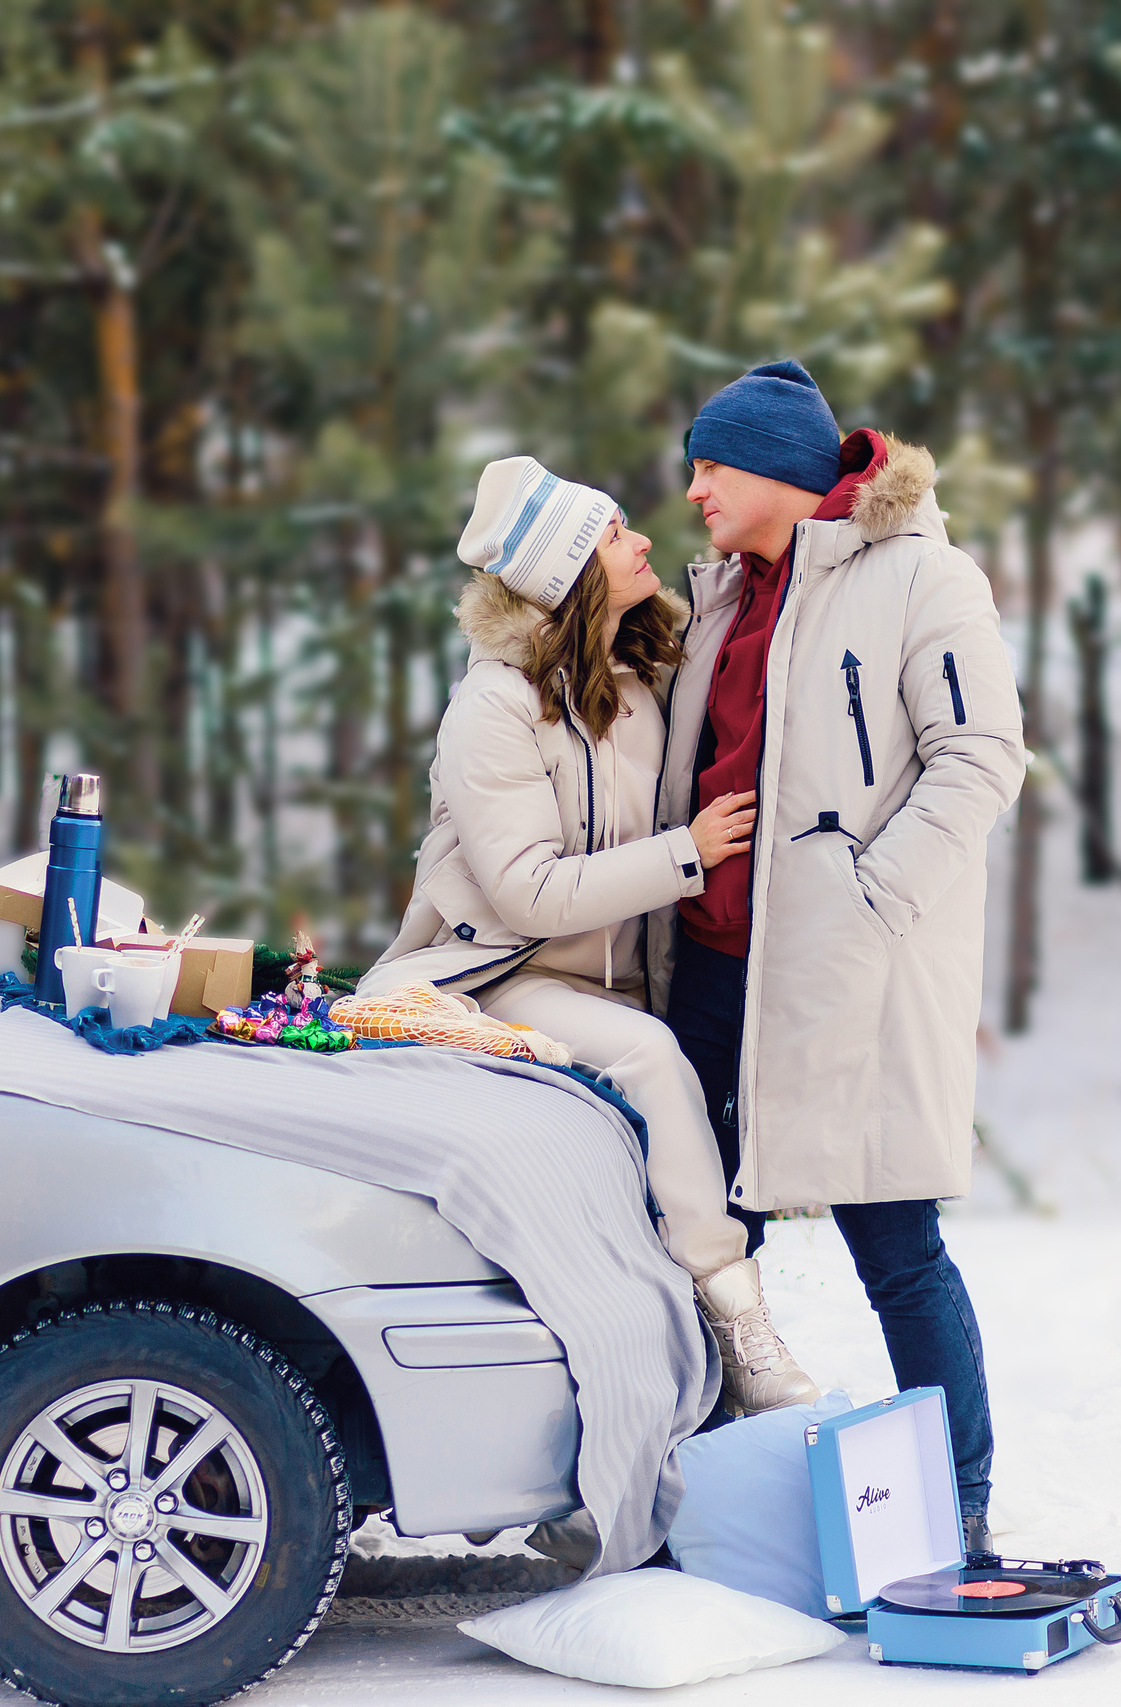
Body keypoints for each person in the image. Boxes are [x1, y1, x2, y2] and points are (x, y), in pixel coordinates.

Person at [651, 360, 1026, 1557]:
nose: (694, 487)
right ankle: (702, 1509)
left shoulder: (924, 578)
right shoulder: (723, 595)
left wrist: (869, 898)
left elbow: (979, 759)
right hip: (713, 963)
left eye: (710, 463)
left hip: (842, 970)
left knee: (895, 1247)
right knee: (701, 1239)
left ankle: (958, 1507)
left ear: (771, 466)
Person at [361, 454, 820, 1417]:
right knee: (653, 1056)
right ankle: (741, 1319)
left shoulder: (643, 676)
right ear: (569, 571)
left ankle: (674, 1382)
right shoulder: (494, 709)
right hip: (500, 972)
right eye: (615, 533)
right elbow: (525, 894)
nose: (646, 537)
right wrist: (684, 854)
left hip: (621, 976)